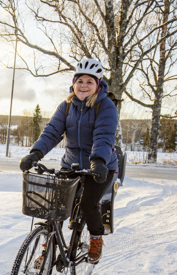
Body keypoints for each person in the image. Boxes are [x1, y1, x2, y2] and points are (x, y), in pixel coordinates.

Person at [19, 58, 119, 264]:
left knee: (88, 203)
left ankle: (95, 239)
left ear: (98, 84)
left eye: (89, 82)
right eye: (80, 81)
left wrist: (99, 160)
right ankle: (48, 247)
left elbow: (104, 135)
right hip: (72, 164)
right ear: (74, 83)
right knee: (55, 205)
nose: (84, 85)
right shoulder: (66, 106)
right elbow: (52, 132)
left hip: (102, 166)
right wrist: (35, 153)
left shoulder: (105, 106)